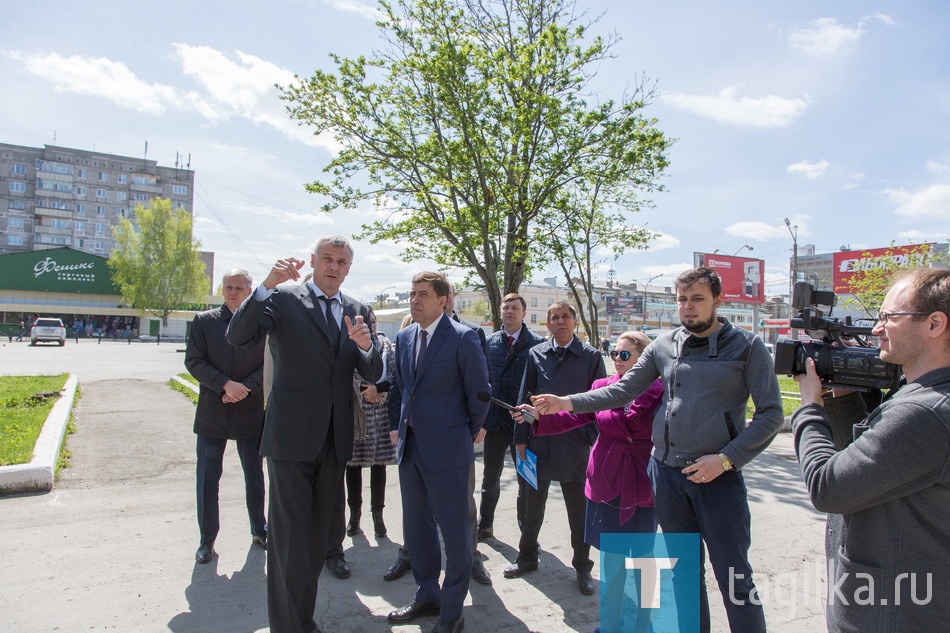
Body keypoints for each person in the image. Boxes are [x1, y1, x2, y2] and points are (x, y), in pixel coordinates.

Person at [532, 268, 784, 633]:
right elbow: (621, 390)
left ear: (718, 300)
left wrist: (727, 459)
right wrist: (566, 402)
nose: (689, 307)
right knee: (684, 574)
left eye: (698, 298)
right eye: (683, 299)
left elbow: (772, 413)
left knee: (734, 576)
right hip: (667, 476)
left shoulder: (746, 346)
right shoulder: (663, 345)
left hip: (718, 478)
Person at [227, 235, 381, 633]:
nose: (334, 266)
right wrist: (265, 286)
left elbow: (375, 374)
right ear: (313, 261)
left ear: (349, 268)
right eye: (327, 259)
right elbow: (238, 335)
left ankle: (303, 620)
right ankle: (287, 626)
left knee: (315, 542)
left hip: (334, 441)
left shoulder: (358, 310)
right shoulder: (283, 299)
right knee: (288, 542)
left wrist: (366, 347)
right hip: (291, 439)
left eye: (342, 261)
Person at [793, 268, 950, 632]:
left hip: (894, 615)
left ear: (935, 324)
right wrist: (843, 397)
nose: (877, 329)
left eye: (889, 317)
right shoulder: (922, 395)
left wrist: (808, 407)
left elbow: (828, 487)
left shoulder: (924, 412)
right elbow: (869, 466)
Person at [519, 331, 663, 633]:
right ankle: (611, 623)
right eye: (614, 353)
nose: (617, 360)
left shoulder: (663, 391)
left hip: (644, 482)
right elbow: (574, 417)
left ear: (644, 358)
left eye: (625, 355)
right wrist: (536, 417)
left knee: (644, 558)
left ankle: (644, 624)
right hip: (607, 478)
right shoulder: (602, 388)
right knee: (612, 557)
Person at [386, 271, 490, 633]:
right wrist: (396, 426)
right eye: (412, 293)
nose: (414, 300)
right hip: (411, 449)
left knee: (456, 532)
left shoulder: (464, 338)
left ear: (443, 300)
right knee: (417, 528)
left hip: (449, 450)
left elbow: (479, 394)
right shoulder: (403, 336)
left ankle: (451, 611)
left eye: (423, 295)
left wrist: (464, 431)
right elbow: (401, 386)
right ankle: (426, 594)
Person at [504, 301, 606, 596]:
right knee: (531, 506)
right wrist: (521, 436)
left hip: (576, 444)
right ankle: (526, 557)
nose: (560, 322)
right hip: (539, 441)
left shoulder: (590, 356)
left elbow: (599, 398)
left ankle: (583, 567)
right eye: (554, 318)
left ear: (575, 322)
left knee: (579, 511)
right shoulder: (536, 354)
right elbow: (525, 395)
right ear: (547, 324)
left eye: (565, 317)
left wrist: (589, 436)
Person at [184, 269, 267, 564]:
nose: (233, 292)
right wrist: (224, 384)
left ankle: (260, 529)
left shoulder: (261, 321)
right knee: (207, 478)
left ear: (249, 290)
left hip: (250, 410)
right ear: (222, 291)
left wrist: (246, 387)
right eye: (228, 287)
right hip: (213, 411)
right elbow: (193, 361)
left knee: (255, 476)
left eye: (239, 288)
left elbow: (269, 362)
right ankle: (207, 540)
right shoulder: (204, 322)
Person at [323, 309, 397, 580]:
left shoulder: (388, 345)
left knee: (379, 466)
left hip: (381, 411)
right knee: (352, 466)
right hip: (356, 411)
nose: (372, 326)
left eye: (374, 322)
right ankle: (354, 516)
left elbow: (394, 373)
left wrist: (380, 389)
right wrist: (365, 391)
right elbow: (347, 374)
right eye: (367, 322)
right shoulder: (348, 343)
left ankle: (378, 516)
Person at [478, 293, 545, 539]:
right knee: (490, 478)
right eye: (506, 308)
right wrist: (483, 422)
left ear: (524, 313)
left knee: (525, 482)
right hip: (495, 421)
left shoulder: (537, 343)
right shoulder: (489, 342)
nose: (509, 312)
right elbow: (482, 382)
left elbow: (540, 383)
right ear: (500, 311)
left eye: (515, 308)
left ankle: (526, 533)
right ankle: (484, 525)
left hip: (523, 424)